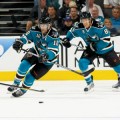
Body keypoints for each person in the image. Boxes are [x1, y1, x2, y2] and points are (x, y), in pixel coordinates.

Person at [61, 12, 120, 91]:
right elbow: (71, 33)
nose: (84, 22)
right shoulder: (78, 26)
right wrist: (67, 39)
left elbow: (106, 39)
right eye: (83, 20)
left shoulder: (99, 26)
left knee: (117, 67)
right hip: (91, 49)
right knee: (82, 63)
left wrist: (95, 46)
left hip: (105, 49)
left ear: (90, 19)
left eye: (86, 20)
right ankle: (89, 83)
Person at [7, 16, 60, 97]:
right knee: (24, 64)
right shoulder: (35, 29)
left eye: (44, 25)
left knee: (30, 77)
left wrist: (46, 55)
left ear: (49, 25)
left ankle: (23, 90)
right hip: (36, 51)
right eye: (41, 25)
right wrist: (19, 42)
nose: (42, 27)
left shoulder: (54, 34)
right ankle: (16, 83)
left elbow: (53, 51)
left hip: (48, 60)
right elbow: (25, 37)